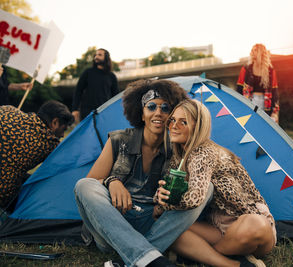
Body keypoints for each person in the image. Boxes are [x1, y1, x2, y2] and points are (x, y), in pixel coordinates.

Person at [74, 80, 214, 267]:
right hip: (112, 225)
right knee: (84, 185)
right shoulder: (118, 139)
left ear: (172, 116)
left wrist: (168, 200)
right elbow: (91, 184)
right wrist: (112, 181)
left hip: (153, 225)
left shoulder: (178, 149)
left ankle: (143, 258)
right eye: (151, 107)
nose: (158, 113)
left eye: (165, 108)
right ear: (141, 113)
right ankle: (149, 255)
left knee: (207, 187)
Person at [155, 99, 276, 267]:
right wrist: (161, 198)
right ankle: (232, 263)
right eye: (172, 120)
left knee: (256, 224)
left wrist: (166, 206)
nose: (174, 126)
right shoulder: (179, 156)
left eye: (183, 122)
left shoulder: (204, 152)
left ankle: (202, 253)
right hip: (217, 226)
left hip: (245, 221)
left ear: (198, 127)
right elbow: (166, 189)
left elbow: (194, 199)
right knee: (169, 229)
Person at [0, 100, 74, 213]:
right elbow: (64, 168)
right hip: (3, 191)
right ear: (55, 122)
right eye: (63, 129)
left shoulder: (8, 110)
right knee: (37, 187)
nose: (62, 135)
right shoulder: (50, 143)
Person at [72, 48, 119, 122]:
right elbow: (78, 91)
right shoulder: (88, 72)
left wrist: (115, 111)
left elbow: (115, 96)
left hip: (104, 112)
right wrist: (75, 109)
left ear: (106, 57)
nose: (96, 57)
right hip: (87, 112)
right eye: (95, 55)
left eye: (99, 55)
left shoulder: (111, 76)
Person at [237, 44, 279, 123]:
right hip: (250, 102)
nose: (251, 52)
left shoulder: (270, 70)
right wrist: (239, 107)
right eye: (251, 50)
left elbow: (275, 91)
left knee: (264, 126)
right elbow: (239, 89)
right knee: (251, 125)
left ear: (261, 52)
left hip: (266, 104)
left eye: (254, 50)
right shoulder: (246, 69)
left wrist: (275, 112)